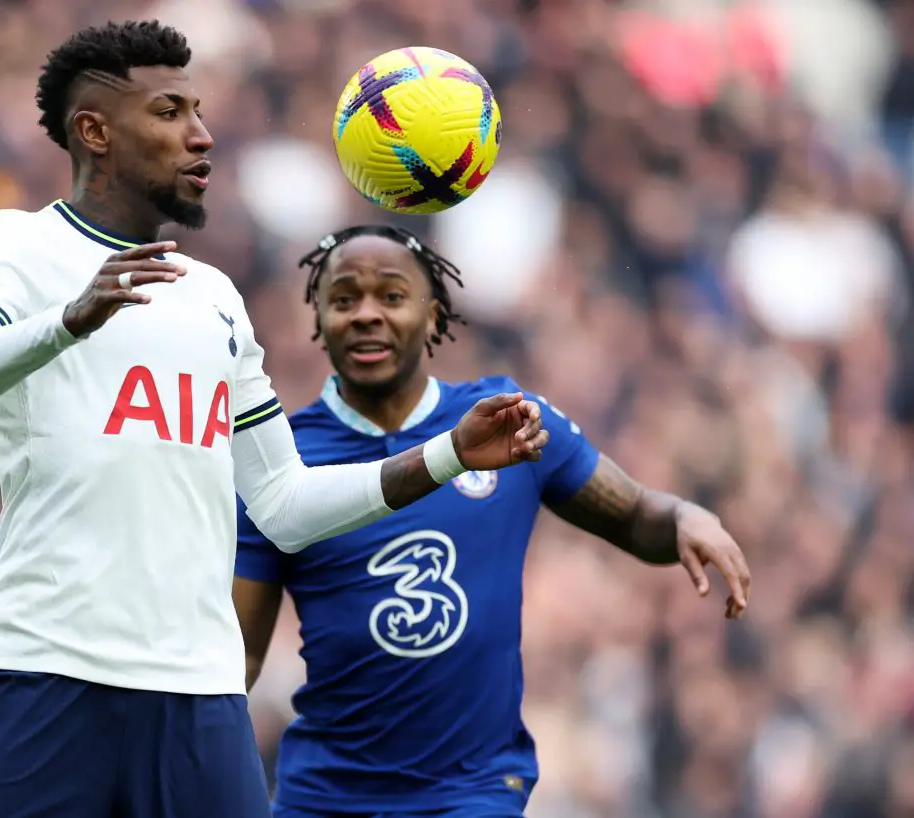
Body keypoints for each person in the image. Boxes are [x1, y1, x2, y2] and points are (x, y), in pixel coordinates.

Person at [0, 20, 550, 818]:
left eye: (199, 110)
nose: (202, 135)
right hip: (45, 674)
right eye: (170, 112)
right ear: (95, 131)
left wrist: (449, 453)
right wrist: (68, 320)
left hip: (197, 699)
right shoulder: (19, 244)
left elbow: (284, 504)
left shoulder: (212, 298)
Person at [233, 224, 753, 818]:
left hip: (470, 794)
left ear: (433, 317)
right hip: (323, 797)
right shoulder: (282, 461)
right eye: (344, 299)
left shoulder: (506, 420)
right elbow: (239, 662)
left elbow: (633, 516)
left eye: (392, 297)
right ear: (318, 318)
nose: (366, 315)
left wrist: (684, 515)